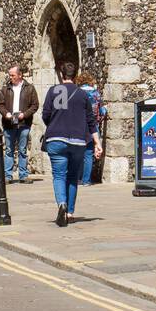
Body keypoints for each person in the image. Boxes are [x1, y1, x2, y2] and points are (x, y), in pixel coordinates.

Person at [41, 61, 102, 226]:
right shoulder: (82, 94)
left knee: (59, 175)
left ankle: (62, 203)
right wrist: (97, 143)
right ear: (75, 76)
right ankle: (70, 212)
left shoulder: (53, 91)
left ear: (61, 75)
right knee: (73, 177)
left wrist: (54, 123)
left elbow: (45, 115)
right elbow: (91, 121)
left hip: (56, 139)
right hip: (77, 141)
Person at [0, 65, 39, 183]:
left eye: (13, 75)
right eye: (10, 75)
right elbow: (0, 104)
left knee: (23, 149)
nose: (10, 77)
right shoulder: (6, 88)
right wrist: (6, 114)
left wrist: (24, 114)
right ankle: (7, 176)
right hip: (9, 123)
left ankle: (23, 175)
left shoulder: (29, 88)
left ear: (20, 75)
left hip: (24, 123)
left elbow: (35, 105)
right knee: (9, 150)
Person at [77, 71, 107, 185]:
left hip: (79, 125)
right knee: (89, 153)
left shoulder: (77, 92)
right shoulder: (96, 94)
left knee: (78, 152)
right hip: (92, 125)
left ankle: (78, 178)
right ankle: (86, 180)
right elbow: (102, 111)